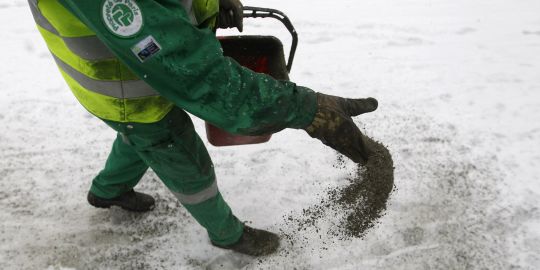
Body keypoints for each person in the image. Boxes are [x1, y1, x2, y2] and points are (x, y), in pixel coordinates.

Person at [27, 0, 378, 256]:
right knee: (182, 158)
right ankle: (227, 234)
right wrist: (307, 109)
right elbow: (187, 67)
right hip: (127, 90)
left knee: (139, 137)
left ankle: (108, 189)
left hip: (148, 76)